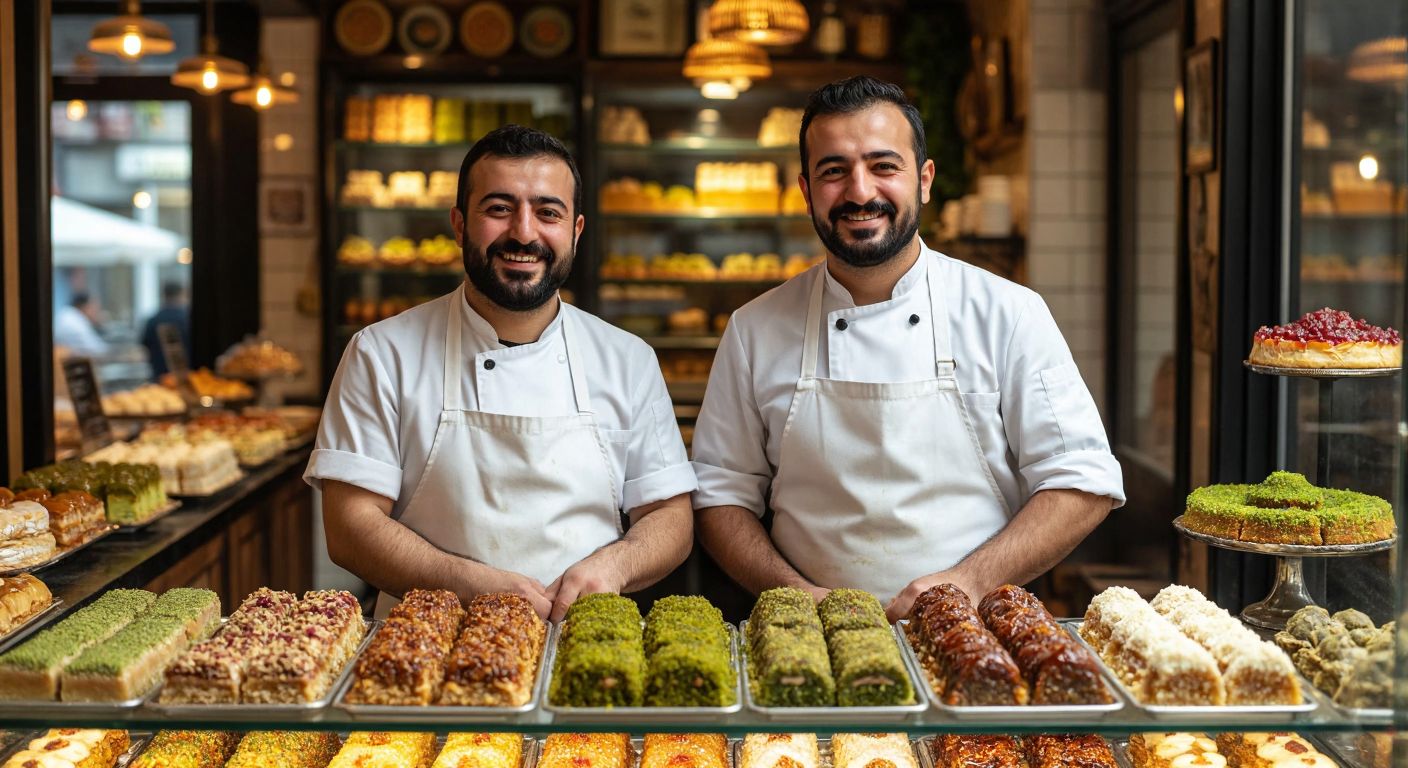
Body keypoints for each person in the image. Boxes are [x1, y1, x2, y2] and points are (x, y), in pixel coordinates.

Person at [691, 77, 1125, 620]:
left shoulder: (1008, 313)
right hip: (807, 640)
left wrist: (967, 582)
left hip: (977, 632)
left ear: (923, 180)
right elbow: (718, 497)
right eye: (834, 171)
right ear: (805, 190)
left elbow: (1082, 481)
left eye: (883, 166)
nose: (859, 192)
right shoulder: (754, 329)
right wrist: (797, 595)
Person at [306, 125, 697, 620]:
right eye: (498, 209)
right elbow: (349, 527)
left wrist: (614, 568)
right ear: (459, 225)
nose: (524, 232)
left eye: (547, 212)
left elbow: (670, 516)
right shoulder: (382, 353)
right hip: (423, 649)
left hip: (582, 648)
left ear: (575, 231)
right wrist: (466, 584)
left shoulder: (627, 358)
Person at [141, 281, 191, 376]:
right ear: (181, 294)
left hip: (159, 375)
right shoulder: (187, 319)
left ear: (164, 295)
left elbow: (145, 346)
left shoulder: (153, 320)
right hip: (187, 376)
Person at [53, 292, 110, 358]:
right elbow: (96, 349)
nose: (97, 312)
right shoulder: (74, 320)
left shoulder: (68, 314)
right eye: (95, 308)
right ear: (85, 306)